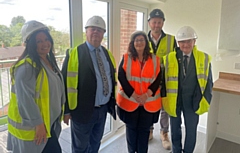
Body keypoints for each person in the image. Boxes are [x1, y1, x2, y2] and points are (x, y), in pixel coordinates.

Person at [7, 20, 65, 153]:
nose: (45, 44)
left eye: (46, 39)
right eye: (39, 41)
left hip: (48, 123)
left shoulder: (47, 61)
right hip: (34, 129)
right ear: (30, 44)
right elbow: (25, 100)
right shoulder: (26, 67)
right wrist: (38, 124)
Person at [61, 15, 117, 153]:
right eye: (93, 29)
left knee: (95, 143)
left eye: (99, 30)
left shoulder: (107, 53)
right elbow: (64, 84)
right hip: (82, 111)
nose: (96, 32)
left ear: (104, 34)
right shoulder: (74, 53)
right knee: (80, 147)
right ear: (86, 31)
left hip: (102, 109)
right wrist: (66, 111)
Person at [162, 26, 213, 153]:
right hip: (175, 101)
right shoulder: (169, 58)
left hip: (193, 101)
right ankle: (177, 150)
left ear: (194, 41)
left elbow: (208, 82)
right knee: (175, 129)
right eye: (183, 41)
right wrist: (164, 100)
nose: (186, 45)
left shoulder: (204, 58)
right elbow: (163, 82)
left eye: (189, 41)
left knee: (191, 130)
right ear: (178, 43)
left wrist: (205, 100)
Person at [117, 31, 162, 153]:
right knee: (131, 131)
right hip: (131, 102)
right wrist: (134, 94)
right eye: (136, 40)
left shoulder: (155, 59)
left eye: (142, 40)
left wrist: (146, 94)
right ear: (132, 43)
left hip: (148, 103)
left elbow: (158, 79)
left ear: (146, 43)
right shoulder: (126, 57)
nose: (139, 42)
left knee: (144, 132)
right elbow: (121, 76)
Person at [148, 8, 176, 150]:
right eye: (154, 22)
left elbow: (177, 60)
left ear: (163, 23)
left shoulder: (171, 39)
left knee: (165, 109)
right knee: (150, 107)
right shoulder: (142, 39)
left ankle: (164, 133)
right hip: (148, 82)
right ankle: (150, 130)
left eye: (159, 22)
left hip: (166, 81)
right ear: (149, 23)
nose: (156, 25)